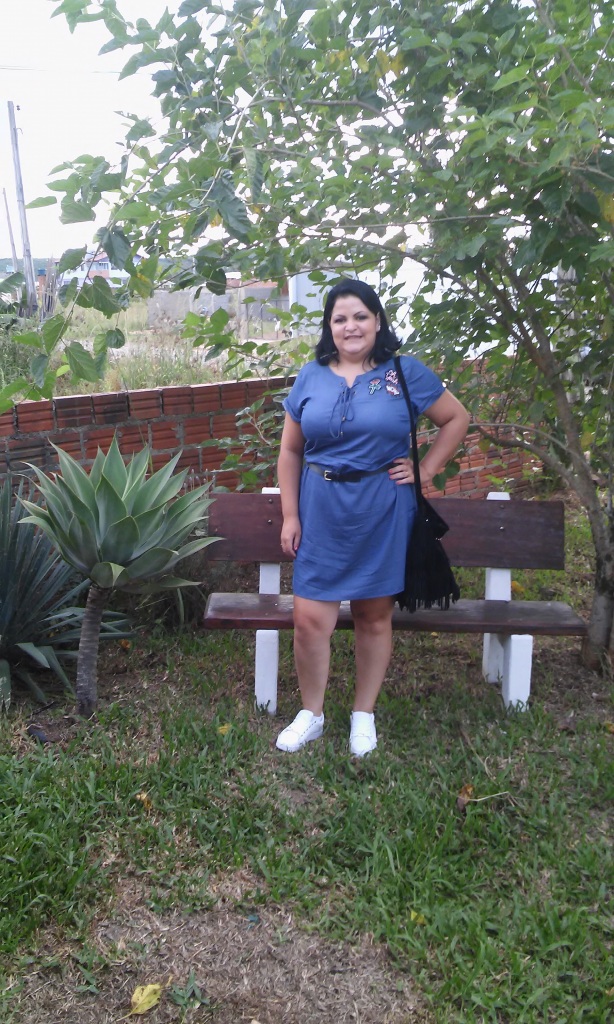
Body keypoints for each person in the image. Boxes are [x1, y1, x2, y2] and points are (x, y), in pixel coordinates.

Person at [276, 279, 470, 757]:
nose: (351, 326)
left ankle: (363, 714)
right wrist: (289, 515)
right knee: (309, 620)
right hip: (321, 512)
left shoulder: (405, 373)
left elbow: (457, 419)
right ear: (329, 326)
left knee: (373, 616)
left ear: (377, 321)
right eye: (340, 318)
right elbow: (290, 451)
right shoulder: (311, 376)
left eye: (360, 316)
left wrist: (426, 469)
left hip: (382, 509)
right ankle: (312, 714)